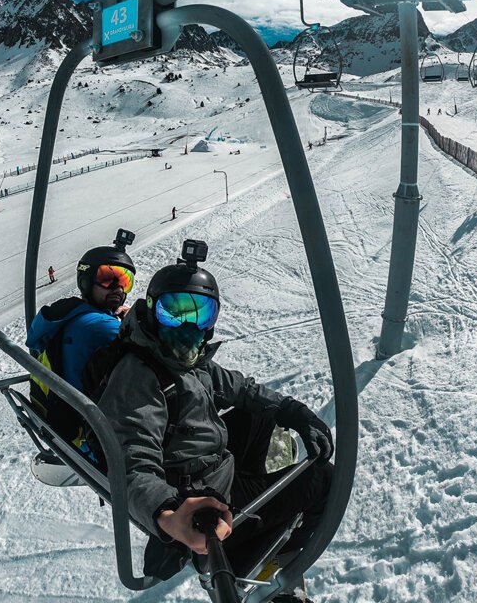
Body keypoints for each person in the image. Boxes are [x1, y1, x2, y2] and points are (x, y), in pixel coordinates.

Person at [97, 240, 333, 596]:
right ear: (150, 311)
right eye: (172, 312)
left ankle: (255, 499)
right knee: (322, 478)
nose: (187, 325)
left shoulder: (185, 358)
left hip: (213, 461)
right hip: (200, 496)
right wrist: (169, 513)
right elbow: (132, 463)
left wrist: (294, 412)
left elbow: (241, 388)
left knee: (259, 415)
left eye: (201, 314)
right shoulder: (139, 376)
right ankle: (261, 558)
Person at [26, 229, 136, 441]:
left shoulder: (73, 313)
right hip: (92, 438)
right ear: (85, 281)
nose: (117, 288)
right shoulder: (98, 326)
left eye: (124, 280)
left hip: (70, 422)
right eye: (107, 278)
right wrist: (133, 319)